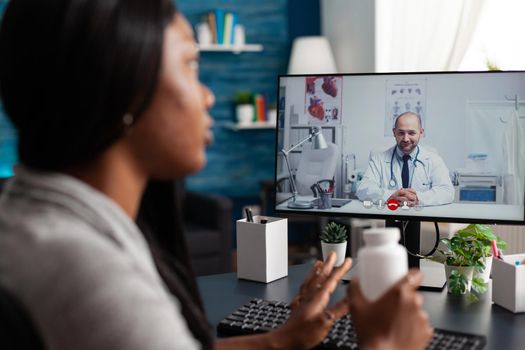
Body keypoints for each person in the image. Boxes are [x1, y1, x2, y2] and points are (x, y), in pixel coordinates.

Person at [0, 1, 433, 349]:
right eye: (190, 66)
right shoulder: (87, 274)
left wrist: (280, 341)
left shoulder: (36, 222)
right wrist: (386, 343)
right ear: (122, 88)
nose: (207, 95)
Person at [356, 112, 454, 207]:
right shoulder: (378, 159)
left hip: (422, 216)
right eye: (401, 133)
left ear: (421, 133)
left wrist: (418, 198)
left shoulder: (434, 159)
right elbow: (363, 188)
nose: (406, 139)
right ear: (394, 132)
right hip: (388, 213)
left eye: (411, 133)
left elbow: (447, 191)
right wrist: (390, 196)